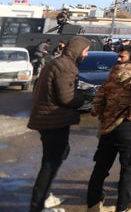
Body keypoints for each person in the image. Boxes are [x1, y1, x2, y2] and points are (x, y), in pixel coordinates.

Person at [27, 36, 91, 212]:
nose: (86, 54)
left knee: (58, 156)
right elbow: (67, 98)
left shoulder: (58, 63)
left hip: (47, 120)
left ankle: (44, 198)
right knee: (50, 165)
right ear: (78, 50)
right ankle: (38, 205)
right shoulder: (66, 67)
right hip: (53, 122)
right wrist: (84, 99)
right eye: (86, 50)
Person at [86, 44, 131, 212]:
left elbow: (101, 93)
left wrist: (98, 110)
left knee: (101, 167)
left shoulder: (115, 71)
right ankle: (123, 206)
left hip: (108, 125)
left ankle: (94, 203)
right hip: (128, 127)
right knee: (129, 168)